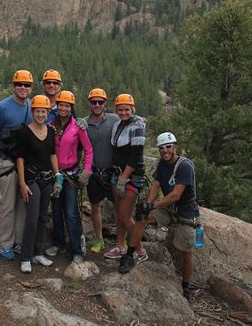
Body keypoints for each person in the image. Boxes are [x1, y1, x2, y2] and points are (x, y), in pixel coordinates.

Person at [118, 132, 199, 300]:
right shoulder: (162, 164)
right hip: (169, 209)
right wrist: (147, 205)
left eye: (168, 147)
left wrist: (153, 205)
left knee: (186, 250)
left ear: (175, 146)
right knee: (142, 217)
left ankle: (186, 285)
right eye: (161, 148)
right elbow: (155, 186)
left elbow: (176, 194)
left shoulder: (185, 166)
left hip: (185, 211)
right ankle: (130, 255)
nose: (165, 151)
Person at [0, 69, 34, 260]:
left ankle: (18, 242)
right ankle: (4, 243)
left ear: (31, 88)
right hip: (6, 162)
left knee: (23, 204)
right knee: (7, 204)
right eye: (19, 84)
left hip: (26, 163)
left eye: (26, 85)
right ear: (13, 86)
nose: (23, 88)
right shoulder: (2, 108)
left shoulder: (33, 106)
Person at [45, 90, 93, 263]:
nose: (63, 108)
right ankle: (58, 244)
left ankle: (76, 250)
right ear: (57, 106)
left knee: (71, 213)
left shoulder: (77, 127)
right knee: (56, 211)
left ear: (71, 108)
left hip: (71, 175)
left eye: (67, 105)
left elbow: (88, 149)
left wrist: (87, 170)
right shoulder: (51, 125)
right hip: (55, 174)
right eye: (61, 105)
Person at [17, 95, 62, 274]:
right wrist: (22, 183)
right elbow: (19, 159)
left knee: (43, 217)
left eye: (44, 111)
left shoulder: (50, 131)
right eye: (38, 111)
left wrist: (57, 175)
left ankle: (38, 253)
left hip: (47, 180)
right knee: (32, 218)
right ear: (32, 112)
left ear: (48, 112)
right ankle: (26, 257)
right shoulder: (25, 132)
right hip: (31, 180)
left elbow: (52, 154)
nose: (41, 114)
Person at [104, 94, 147, 262]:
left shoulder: (137, 126)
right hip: (118, 174)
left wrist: (123, 178)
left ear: (132, 109)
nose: (123, 113)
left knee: (124, 215)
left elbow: (136, 157)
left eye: (127, 110)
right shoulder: (117, 125)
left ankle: (140, 250)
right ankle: (120, 246)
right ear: (116, 111)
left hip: (131, 177)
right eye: (120, 110)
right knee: (119, 213)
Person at [84, 88, 118, 253]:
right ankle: (99, 240)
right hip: (94, 172)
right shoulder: (84, 123)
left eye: (100, 102)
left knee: (119, 206)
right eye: (93, 102)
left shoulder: (114, 119)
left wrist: (138, 119)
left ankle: (121, 240)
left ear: (106, 104)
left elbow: (129, 118)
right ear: (89, 103)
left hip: (113, 172)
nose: (97, 105)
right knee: (95, 206)